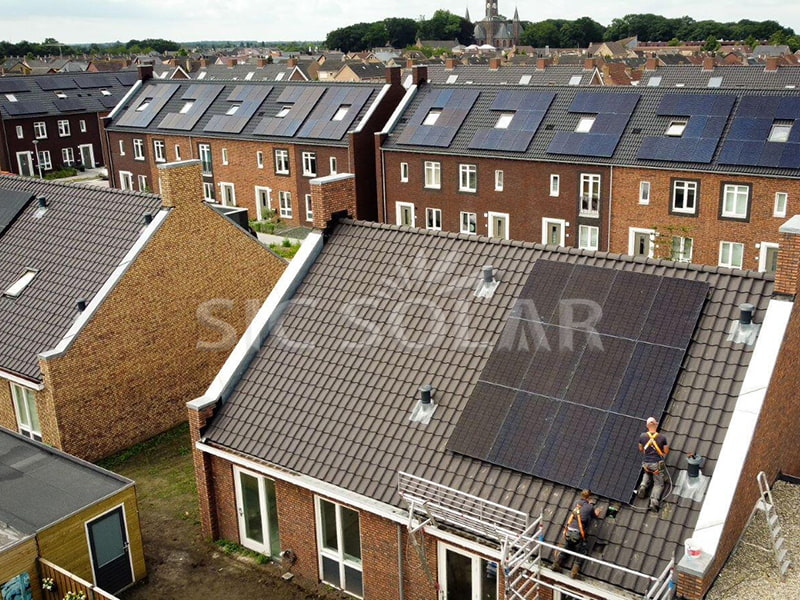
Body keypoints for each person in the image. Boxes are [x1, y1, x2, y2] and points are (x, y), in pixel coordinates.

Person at [552, 489, 601, 579]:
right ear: (589, 497)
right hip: (578, 532)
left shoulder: (576, 503)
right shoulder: (590, 507)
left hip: (569, 530)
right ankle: (574, 572)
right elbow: (594, 516)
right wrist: (596, 511)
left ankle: (556, 563)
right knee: (582, 550)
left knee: (568, 545)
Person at [638, 417, 670, 512]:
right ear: (656, 425)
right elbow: (666, 451)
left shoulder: (642, 436)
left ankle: (643, 485)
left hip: (646, 463)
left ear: (647, 426)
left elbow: (641, 449)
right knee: (658, 484)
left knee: (647, 472)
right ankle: (654, 502)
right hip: (656, 464)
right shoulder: (662, 437)